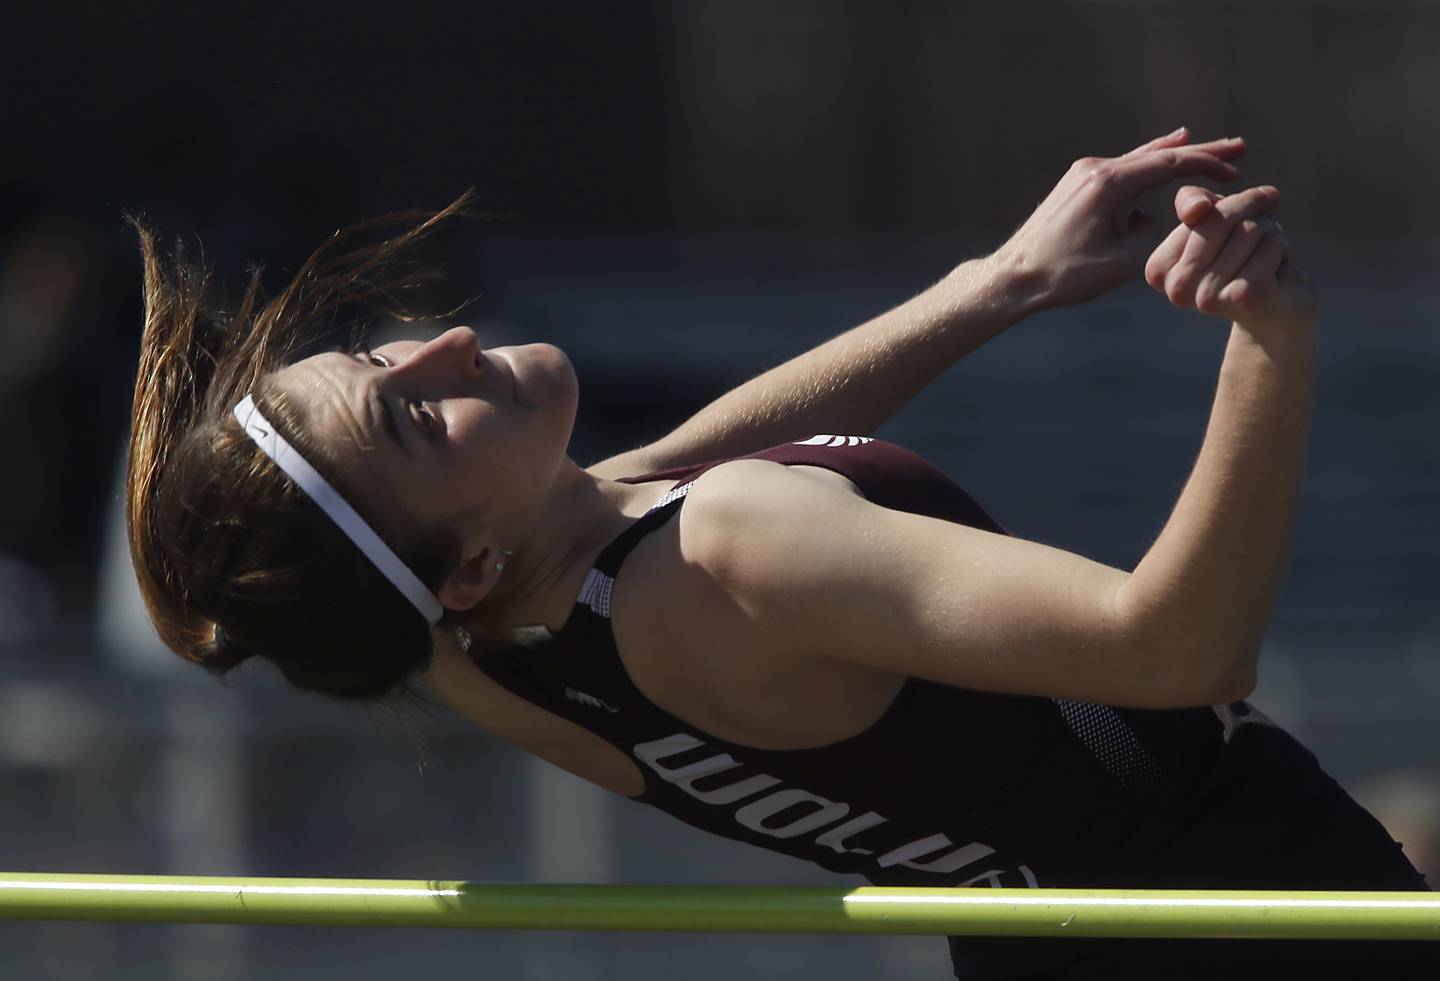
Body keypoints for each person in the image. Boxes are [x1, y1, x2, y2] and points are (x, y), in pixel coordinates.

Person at [125, 128, 1436, 979]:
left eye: (372, 347)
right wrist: (1271, 335)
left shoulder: (468, 642)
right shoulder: (741, 550)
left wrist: (1002, 283)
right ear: (464, 562)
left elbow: (659, 479)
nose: (442, 346)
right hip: (1253, 908)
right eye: (409, 410)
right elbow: (1180, 645)